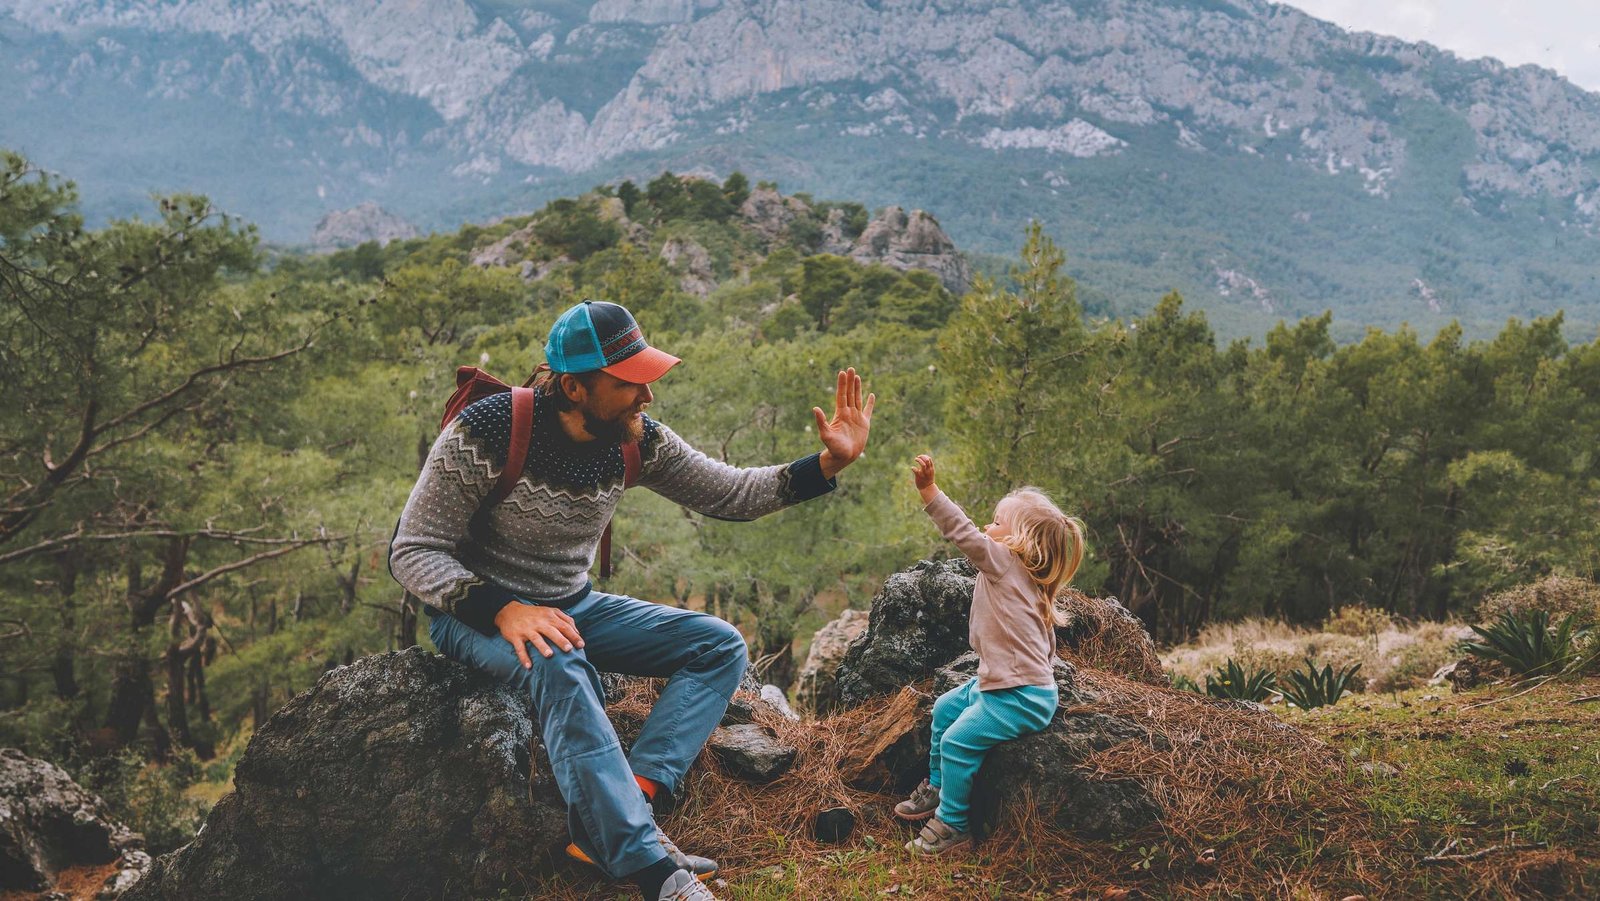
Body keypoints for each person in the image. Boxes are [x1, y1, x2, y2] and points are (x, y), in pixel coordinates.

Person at [390, 300, 874, 901]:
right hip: (477, 619)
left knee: (718, 646)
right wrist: (503, 610)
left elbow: (731, 492)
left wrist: (829, 462)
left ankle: (633, 800)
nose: (647, 398)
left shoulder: (634, 440)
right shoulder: (489, 431)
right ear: (574, 386)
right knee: (558, 656)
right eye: (631, 384)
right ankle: (648, 867)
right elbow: (412, 550)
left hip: (573, 603)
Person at [894, 454, 1085, 855]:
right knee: (946, 707)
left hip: (1020, 696)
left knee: (959, 741)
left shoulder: (1002, 562)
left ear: (1021, 539)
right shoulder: (1029, 579)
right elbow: (1043, 642)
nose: (987, 526)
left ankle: (953, 827)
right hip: (1002, 684)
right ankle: (939, 785)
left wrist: (930, 492)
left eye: (997, 522)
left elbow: (963, 533)